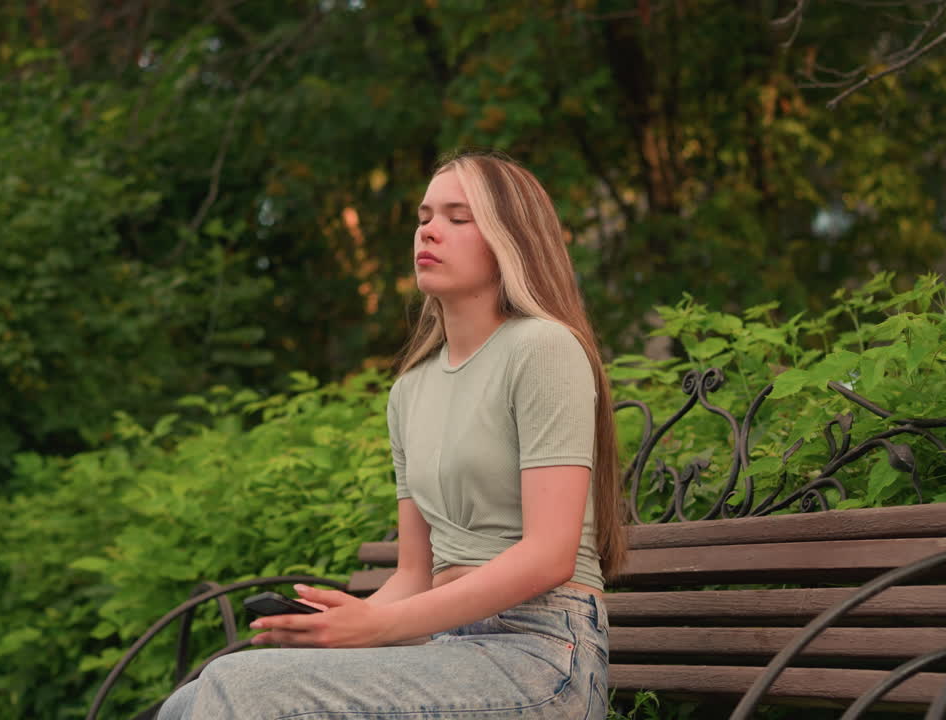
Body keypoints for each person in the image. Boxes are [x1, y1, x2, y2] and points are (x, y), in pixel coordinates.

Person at [156, 150, 624, 719]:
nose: (429, 229)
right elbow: (413, 576)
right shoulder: (410, 390)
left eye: (458, 217)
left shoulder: (542, 349)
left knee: (237, 687)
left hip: (543, 655)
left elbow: (549, 557)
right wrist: (341, 625)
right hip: (445, 649)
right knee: (188, 702)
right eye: (425, 216)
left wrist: (377, 625)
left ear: (512, 240)